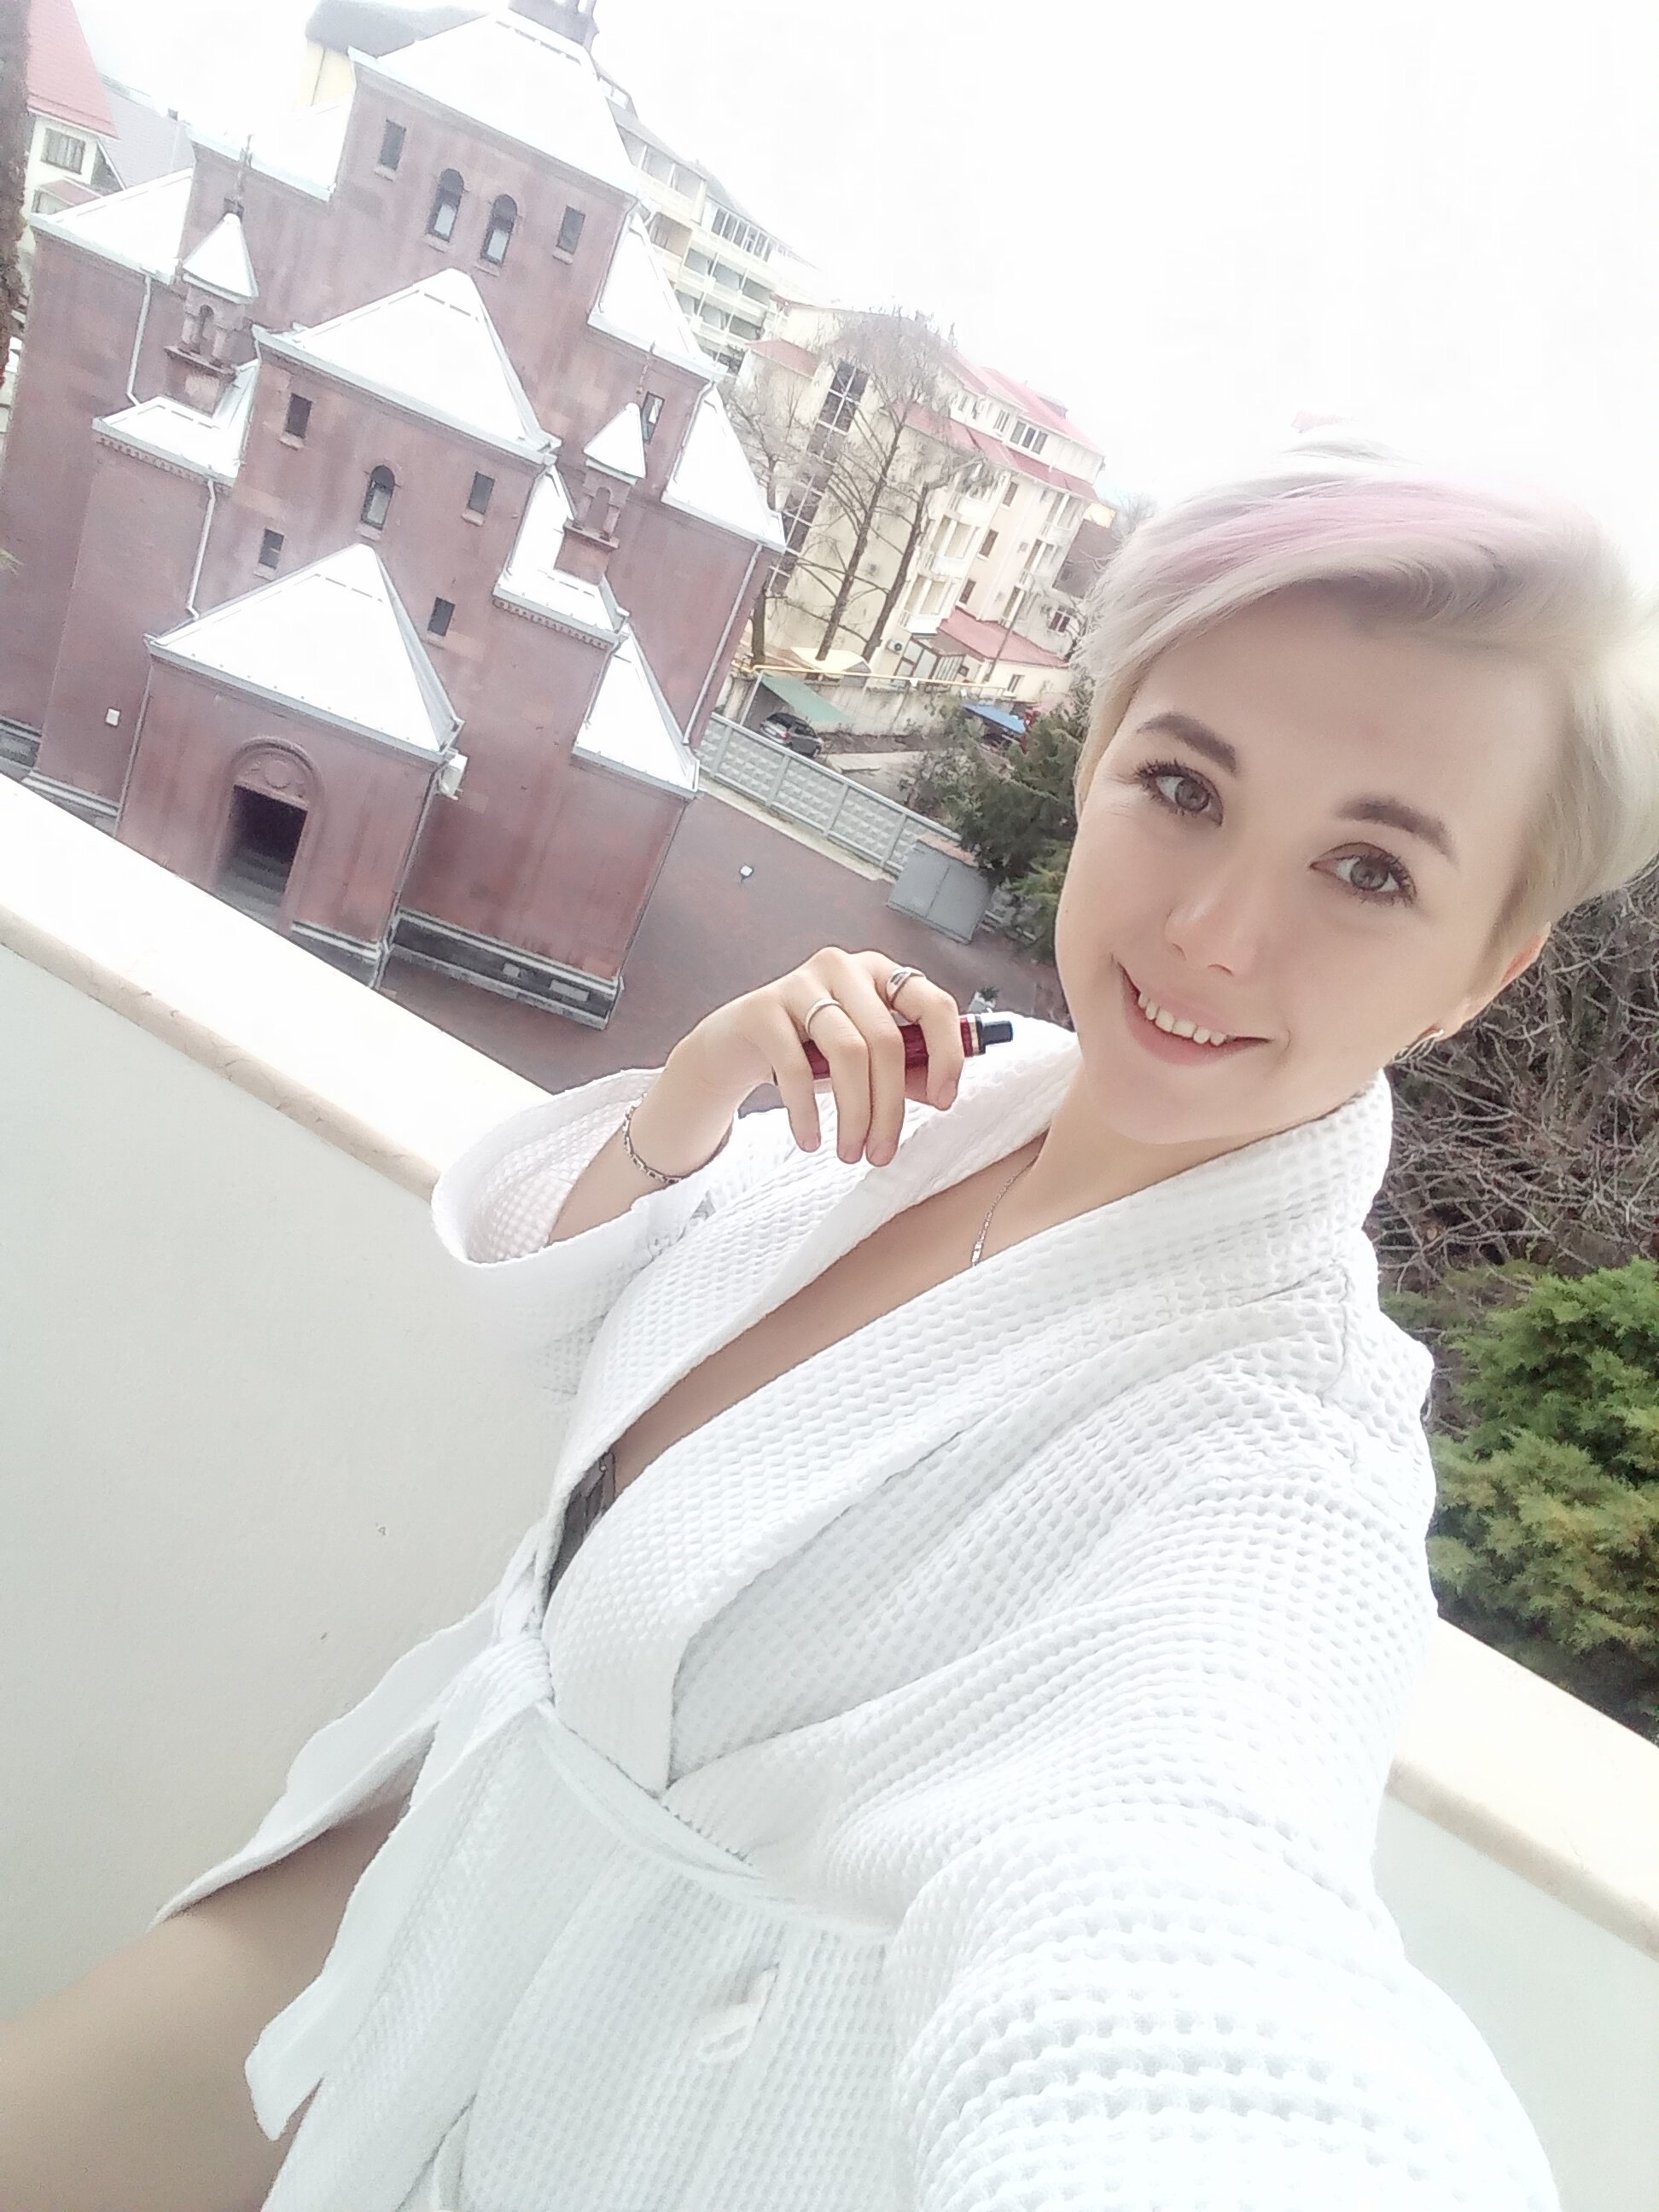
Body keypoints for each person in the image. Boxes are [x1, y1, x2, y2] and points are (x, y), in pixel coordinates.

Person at [7, 444, 1659, 2212]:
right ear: (1096, 761)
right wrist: (696, 1092)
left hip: (601, 2103)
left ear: (1485, 967)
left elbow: (1198, 1898)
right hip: (410, 1873)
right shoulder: (958, 1100)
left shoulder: (1283, 1449)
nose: (1215, 932)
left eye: (1372, 872)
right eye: (1186, 786)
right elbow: (571, 1359)